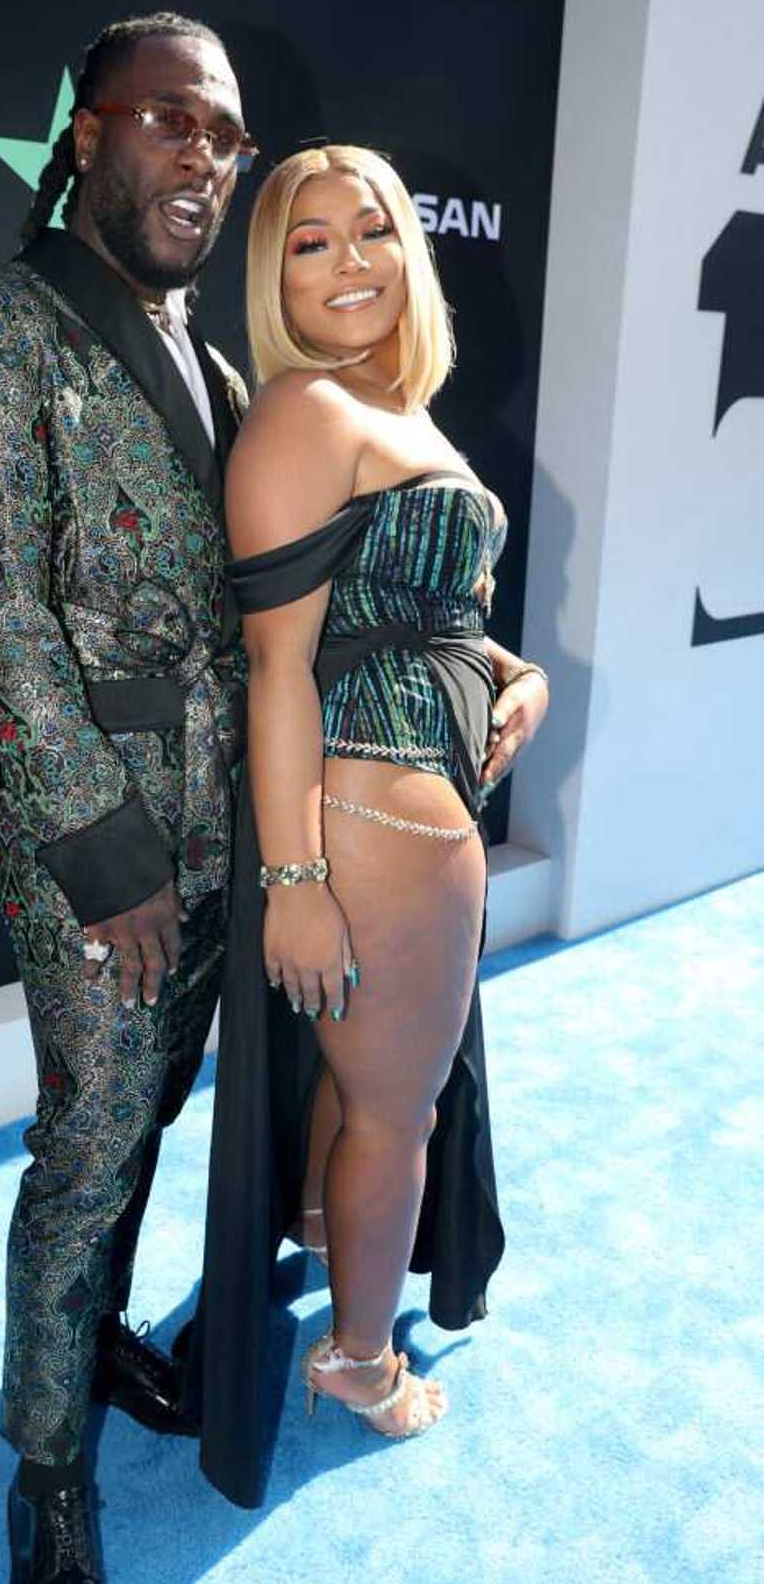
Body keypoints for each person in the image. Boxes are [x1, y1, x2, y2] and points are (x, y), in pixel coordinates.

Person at [0, 13, 258, 1584]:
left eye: (227, 137)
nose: (204, 157)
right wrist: (104, 856)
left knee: (148, 1125)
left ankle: (97, 1333)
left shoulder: (217, 355)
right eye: (173, 120)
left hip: (222, 835)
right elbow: (2, 622)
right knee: (87, 1151)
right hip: (97, 847)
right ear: (88, 132)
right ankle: (48, 1480)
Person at [186, 144, 549, 1508]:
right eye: (309, 243)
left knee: (367, 1092)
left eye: (373, 232)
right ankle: (357, 1362)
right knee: (401, 1107)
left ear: (413, 251)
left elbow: (420, 607)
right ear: (271, 275)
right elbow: (277, 662)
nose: (350, 265)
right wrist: (294, 880)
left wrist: (519, 671)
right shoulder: (306, 413)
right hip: (370, 813)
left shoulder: (389, 409)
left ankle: (334, 1250)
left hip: (399, 804)